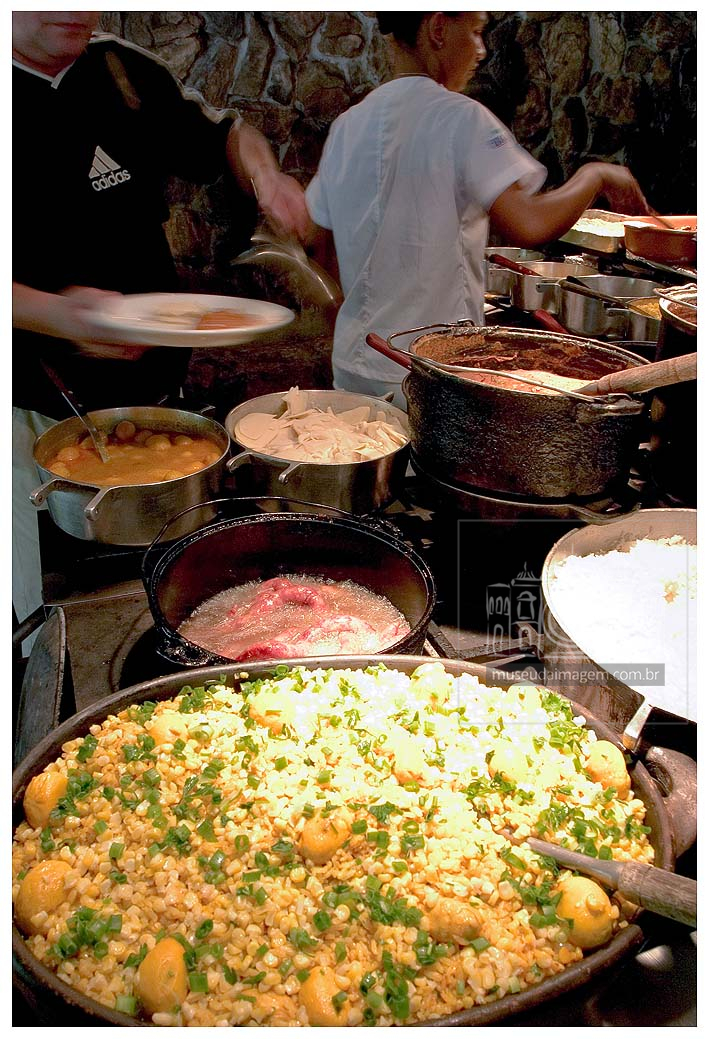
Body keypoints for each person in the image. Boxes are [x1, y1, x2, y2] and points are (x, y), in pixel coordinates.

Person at [12, 12, 310, 635]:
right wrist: (56, 315)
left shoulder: (122, 68)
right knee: (38, 609)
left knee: (163, 594)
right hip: (25, 406)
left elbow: (227, 134)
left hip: (152, 397)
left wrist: (265, 177)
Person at [304, 11, 651, 408]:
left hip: (355, 362)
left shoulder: (348, 125)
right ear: (438, 28)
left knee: (371, 450)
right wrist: (595, 176)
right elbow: (529, 223)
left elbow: (320, 244)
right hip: (428, 373)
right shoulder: (461, 118)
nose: (481, 50)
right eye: (475, 31)